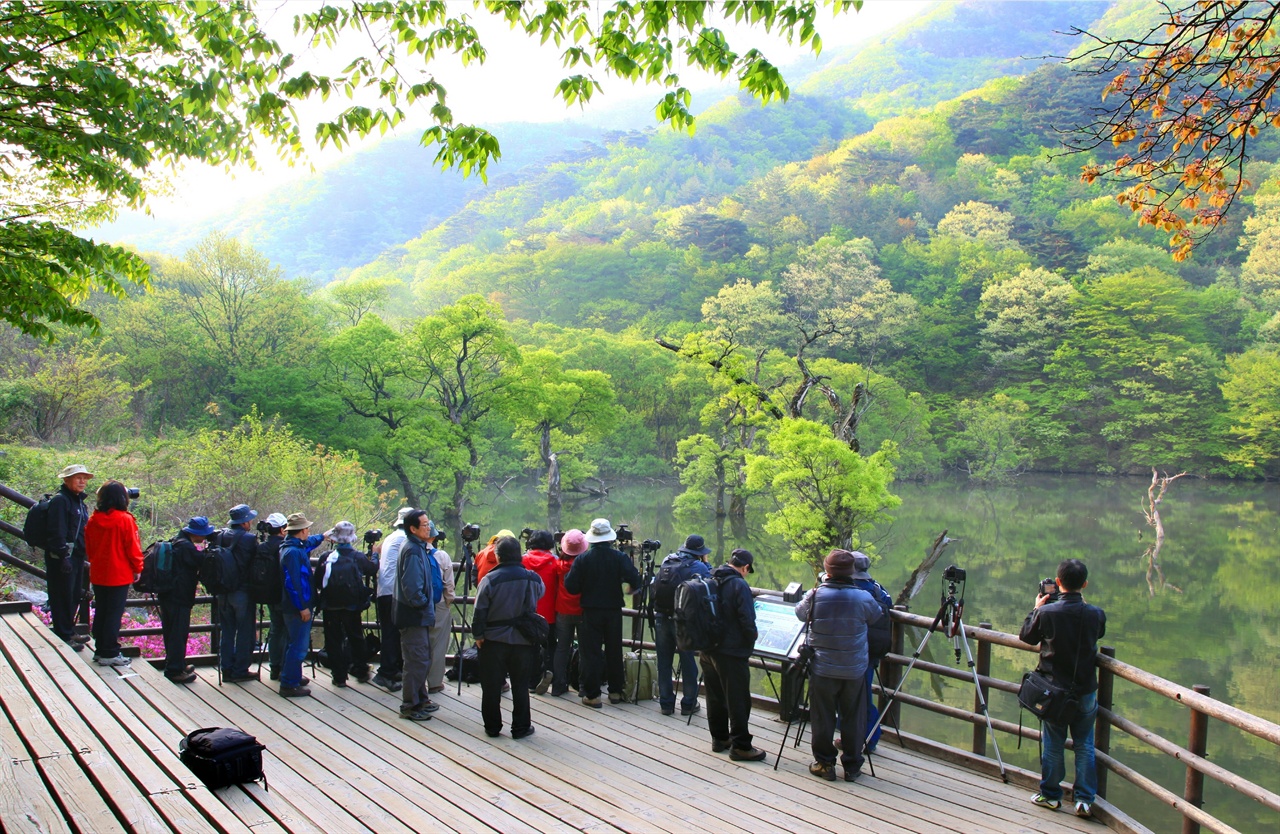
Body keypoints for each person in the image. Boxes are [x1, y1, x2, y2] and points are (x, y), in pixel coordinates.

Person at [1020, 558, 1107, 819]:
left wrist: (1035, 609)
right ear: (1085, 584)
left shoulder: (1047, 613)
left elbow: (1027, 636)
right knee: (1085, 744)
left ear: (1058, 583)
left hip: (1054, 691)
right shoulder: (1096, 614)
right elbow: (1098, 635)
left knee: (1054, 743)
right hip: (1085, 689)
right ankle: (1084, 801)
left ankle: (1051, 795)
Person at [795, 549, 884, 782]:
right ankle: (853, 766)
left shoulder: (815, 595)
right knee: (854, 716)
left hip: (822, 668)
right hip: (854, 669)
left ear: (827, 571)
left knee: (822, 716)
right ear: (851, 572)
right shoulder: (864, 598)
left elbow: (799, 613)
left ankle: (825, 763)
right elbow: (876, 616)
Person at [562, 518, 640, 708]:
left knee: (591, 653)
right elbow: (635, 579)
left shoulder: (583, 559)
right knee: (614, 649)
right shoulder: (619, 558)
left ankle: (593, 694)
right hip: (613, 610)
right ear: (609, 538)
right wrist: (629, 588)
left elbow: (570, 587)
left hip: (590, 611)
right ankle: (615, 691)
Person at [473, 535, 544, 738]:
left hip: (493, 640)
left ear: (498, 555)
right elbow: (540, 593)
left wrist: (478, 634)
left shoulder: (489, 580)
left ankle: (492, 727)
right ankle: (521, 727)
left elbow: (480, 611)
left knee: (491, 686)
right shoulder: (532, 578)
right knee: (521, 685)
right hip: (523, 639)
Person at [701, 548, 765, 762]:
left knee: (715, 695)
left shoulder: (709, 578)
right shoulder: (739, 584)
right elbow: (747, 619)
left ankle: (719, 738)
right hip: (731, 651)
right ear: (745, 567)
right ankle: (741, 746)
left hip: (708, 648)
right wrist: (750, 641)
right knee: (738, 699)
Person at [83, 480, 143, 667]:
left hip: (99, 573)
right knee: (114, 614)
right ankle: (109, 651)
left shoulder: (93, 520)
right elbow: (132, 548)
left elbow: (89, 548)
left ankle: (101, 649)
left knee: (102, 610)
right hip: (119, 573)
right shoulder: (125, 520)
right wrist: (138, 568)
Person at [653, 534, 712, 716]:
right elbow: (710, 582)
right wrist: (706, 563)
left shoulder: (667, 560)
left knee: (664, 661)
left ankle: (666, 703)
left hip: (662, 616)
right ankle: (688, 703)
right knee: (687, 661)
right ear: (699, 552)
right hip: (684, 621)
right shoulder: (699, 566)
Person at [315, 521, 377, 687]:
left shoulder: (326, 557)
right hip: (352, 606)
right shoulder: (357, 556)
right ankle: (361, 669)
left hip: (330, 606)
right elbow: (371, 569)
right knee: (356, 637)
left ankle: (339, 676)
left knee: (333, 640)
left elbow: (318, 581)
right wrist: (375, 556)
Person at [394, 509, 442, 720]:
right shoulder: (413, 550)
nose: (428, 527)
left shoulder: (418, 547)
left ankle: (421, 699)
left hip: (417, 614)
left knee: (422, 657)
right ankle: (410, 705)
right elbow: (412, 587)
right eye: (424, 525)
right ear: (413, 529)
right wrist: (423, 605)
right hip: (413, 614)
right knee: (416, 660)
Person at [43, 464, 93, 650]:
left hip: (77, 555)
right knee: (62, 594)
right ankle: (63, 634)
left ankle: (69, 630)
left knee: (73, 594)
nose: (82, 481)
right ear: (66, 480)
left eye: (84, 478)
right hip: (62, 556)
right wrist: (62, 555)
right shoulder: (61, 501)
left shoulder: (78, 501)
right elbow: (57, 530)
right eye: (77, 477)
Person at [848, 551, 893, 753]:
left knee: (857, 697)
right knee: (864, 695)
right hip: (872, 651)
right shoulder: (876, 589)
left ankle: (865, 739)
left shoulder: (851, 589)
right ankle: (867, 737)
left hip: (852, 650)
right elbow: (889, 605)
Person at [160, 517, 213, 684]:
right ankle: (175, 670)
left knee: (171, 631)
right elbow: (202, 561)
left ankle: (177, 664)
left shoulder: (176, 541)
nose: (205, 537)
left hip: (168, 594)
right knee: (178, 632)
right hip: (179, 596)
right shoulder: (185, 547)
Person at [279, 513, 327, 698]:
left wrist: (322, 536)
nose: (309, 531)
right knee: (298, 646)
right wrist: (302, 607)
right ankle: (289, 684)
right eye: (307, 529)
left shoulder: (292, 546)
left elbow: (308, 543)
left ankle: (293, 676)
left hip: (295, 605)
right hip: (297, 607)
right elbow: (294, 582)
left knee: (294, 643)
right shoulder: (293, 552)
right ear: (303, 530)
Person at [217, 503, 260, 683]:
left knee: (226, 631)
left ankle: (226, 668)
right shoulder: (249, 540)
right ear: (244, 522)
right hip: (242, 591)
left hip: (223, 591)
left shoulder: (219, 536)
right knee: (244, 630)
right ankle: (240, 669)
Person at [373, 507, 413, 691]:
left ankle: (392, 668)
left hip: (385, 590)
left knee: (392, 632)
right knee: (391, 633)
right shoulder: (404, 539)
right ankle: (386, 673)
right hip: (393, 592)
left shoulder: (391, 537)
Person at [251, 513, 289, 681]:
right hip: (283, 594)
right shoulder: (284, 547)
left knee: (275, 630)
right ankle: (284, 669)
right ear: (282, 529)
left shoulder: (261, 547)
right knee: (286, 631)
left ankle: (274, 667)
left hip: (267, 594)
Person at [550, 528, 587, 697]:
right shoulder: (586, 566)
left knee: (562, 649)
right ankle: (583, 686)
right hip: (583, 611)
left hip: (562, 610)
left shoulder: (558, 565)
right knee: (585, 650)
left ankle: (558, 685)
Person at [521, 529, 559, 695]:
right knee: (550, 645)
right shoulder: (555, 561)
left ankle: (530, 681)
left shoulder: (521, 560)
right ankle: (549, 671)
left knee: (528, 647)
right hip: (549, 612)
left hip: (527, 612)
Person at [425, 520, 456, 694]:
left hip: (416, 605)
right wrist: (448, 602)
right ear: (435, 536)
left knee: (417, 643)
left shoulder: (410, 552)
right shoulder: (441, 556)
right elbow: (449, 586)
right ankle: (435, 682)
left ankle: (416, 681)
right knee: (438, 643)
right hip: (438, 604)